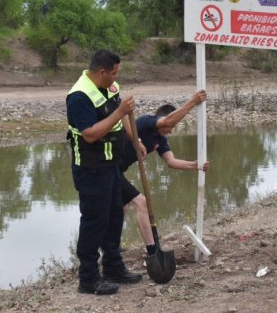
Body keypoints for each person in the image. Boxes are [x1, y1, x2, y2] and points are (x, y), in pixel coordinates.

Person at [66, 49, 143, 295]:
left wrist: (135, 141)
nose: (117, 77)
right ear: (102, 72)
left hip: (111, 165)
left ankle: (113, 267)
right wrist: (120, 111)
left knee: (114, 217)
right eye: (114, 73)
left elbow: (120, 123)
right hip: (90, 169)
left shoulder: (111, 88)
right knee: (94, 222)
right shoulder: (79, 97)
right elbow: (89, 134)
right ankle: (88, 279)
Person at [119, 90, 210, 256]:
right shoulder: (146, 122)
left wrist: (195, 165)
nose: (172, 130)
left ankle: (111, 246)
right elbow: (168, 120)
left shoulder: (160, 140)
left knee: (123, 206)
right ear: (161, 121)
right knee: (140, 202)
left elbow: (171, 162)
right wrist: (192, 102)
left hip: (118, 171)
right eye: (172, 126)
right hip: (109, 167)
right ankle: (152, 250)